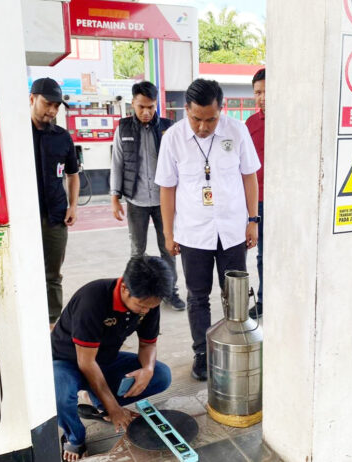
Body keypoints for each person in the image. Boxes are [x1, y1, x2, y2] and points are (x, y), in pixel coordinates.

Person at [155, 79, 261, 381]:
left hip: (232, 230)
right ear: (186, 110)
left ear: (221, 110)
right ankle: (202, 354)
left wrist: (253, 220)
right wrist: (168, 233)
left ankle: (235, 347)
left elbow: (249, 177)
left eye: (210, 119)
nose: (203, 126)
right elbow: (167, 188)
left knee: (235, 294)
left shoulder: (236, 131)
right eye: (196, 118)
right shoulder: (173, 138)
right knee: (198, 296)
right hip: (193, 233)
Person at [51, 256, 174, 461]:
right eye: (141, 305)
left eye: (151, 307)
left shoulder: (149, 300)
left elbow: (148, 343)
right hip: (68, 361)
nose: (146, 311)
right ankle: (75, 437)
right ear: (125, 288)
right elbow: (86, 363)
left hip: (105, 360)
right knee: (60, 394)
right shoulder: (93, 299)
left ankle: (99, 402)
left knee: (161, 375)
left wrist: (148, 369)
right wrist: (115, 409)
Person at [110, 81, 186, 311]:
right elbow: (117, 163)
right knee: (137, 250)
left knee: (169, 248)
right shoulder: (123, 129)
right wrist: (115, 197)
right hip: (136, 200)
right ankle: (134, 291)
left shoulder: (168, 128)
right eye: (141, 106)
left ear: (157, 106)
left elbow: (179, 164)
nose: (146, 112)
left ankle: (169, 292)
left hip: (164, 201)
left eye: (151, 107)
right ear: (133, 103)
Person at [30, 77, 80, 327]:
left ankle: (51, 323)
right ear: (32, 99)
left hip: (56, 217)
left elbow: (73, 174)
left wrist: (72, 206)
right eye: (47, 104)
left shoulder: (62, 137)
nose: (52, 110)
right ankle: (28, 320)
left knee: (52, 275)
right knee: (26, 271)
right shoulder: (13, 133)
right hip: (23, 218)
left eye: (56, 106)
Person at [245, 69, 265, 320]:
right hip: (257, 201)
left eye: (266, 91)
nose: (262, 97)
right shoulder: (250, 124)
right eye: (258, 92)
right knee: (261, 253)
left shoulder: (289, 120)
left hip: (285, 199)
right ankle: (262, 300)